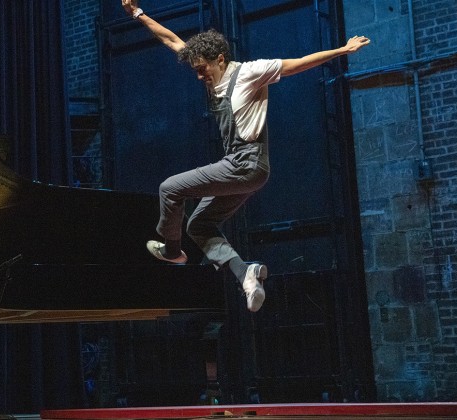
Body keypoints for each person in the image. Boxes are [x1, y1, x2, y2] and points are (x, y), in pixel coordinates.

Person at [122, 0, 370, 312]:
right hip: (245, 172)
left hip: (245, 163)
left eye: (202, 71)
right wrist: (137, 13)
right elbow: (171, 39)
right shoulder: (209, 70)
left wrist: (343, 51)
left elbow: (299, 63)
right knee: (198, 225)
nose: (199, 77)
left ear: (220, 59)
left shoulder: (251, 73)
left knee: (169, 188)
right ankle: (246, 274)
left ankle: (172, 251)